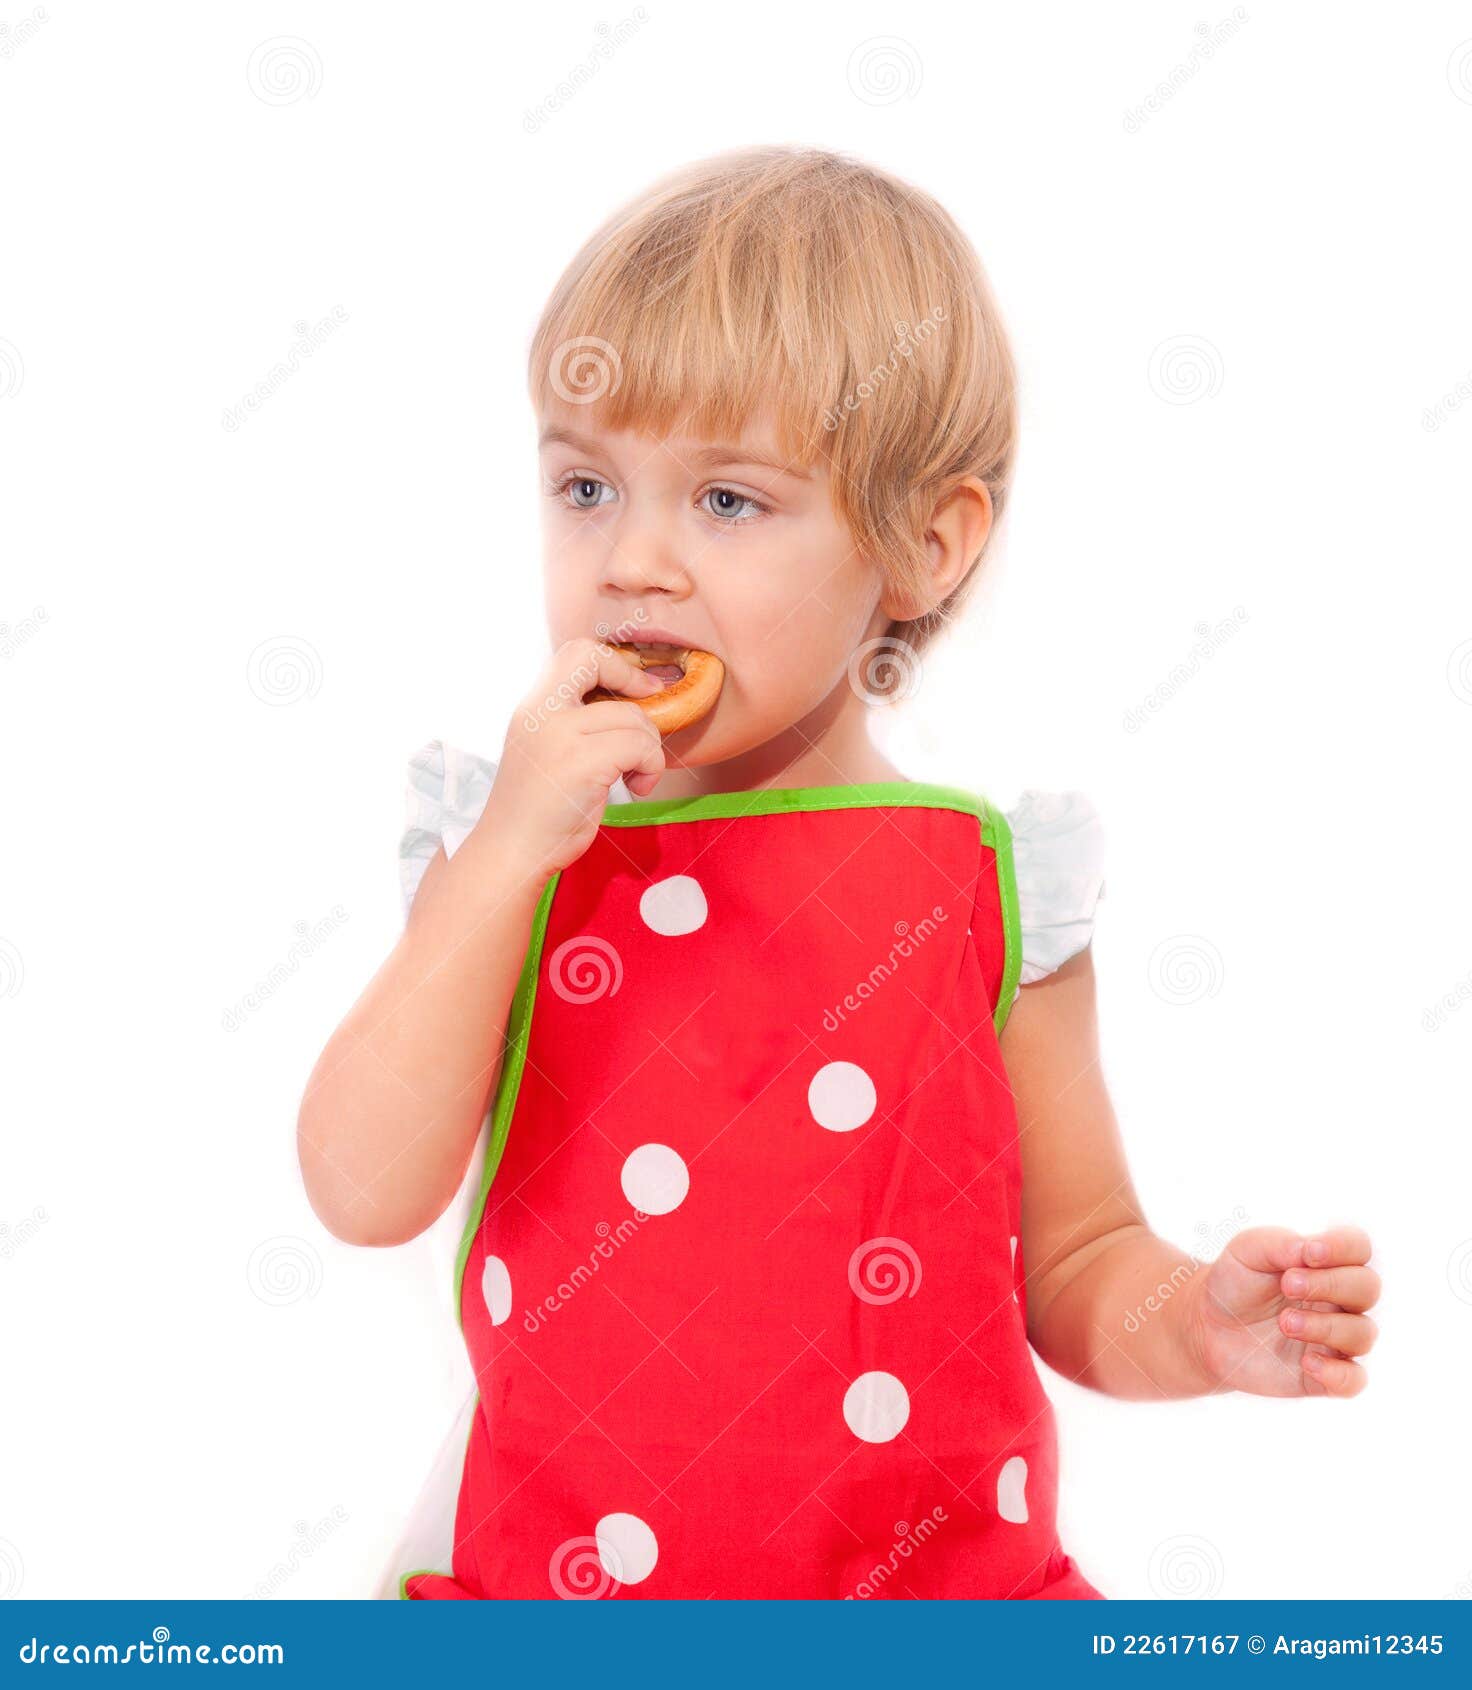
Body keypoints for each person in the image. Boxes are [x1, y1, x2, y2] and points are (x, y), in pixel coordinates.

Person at [297, 145, 1380, 1601]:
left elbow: (1076, 1257)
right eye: (585, 485)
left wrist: (1195, 1323)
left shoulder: (993, 884)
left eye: (728, 503)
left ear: (925, 546)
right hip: (565, 1602)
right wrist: (497, 861)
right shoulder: (518, 860)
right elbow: (361, 1188)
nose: (634, 562)